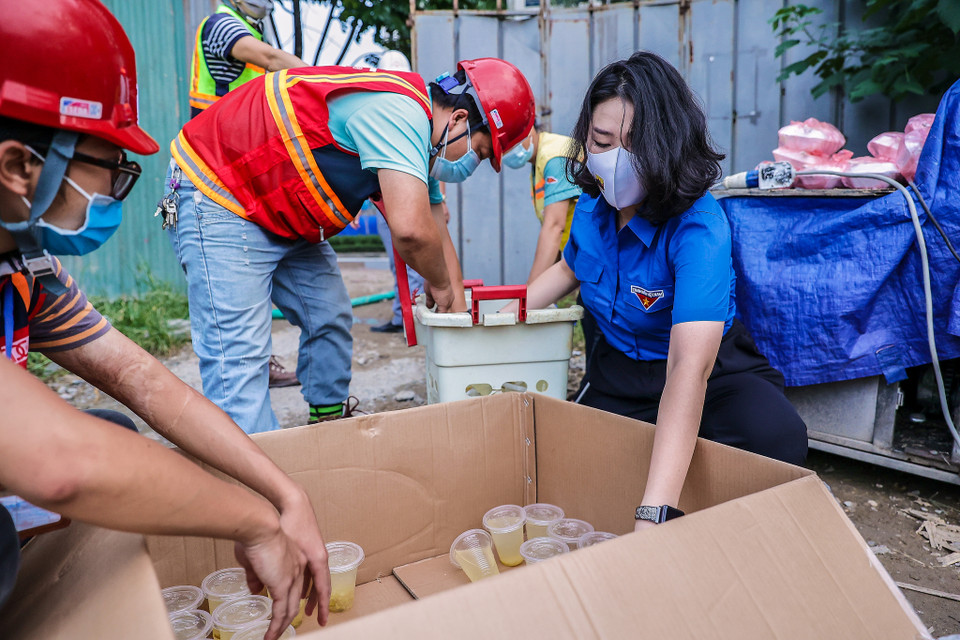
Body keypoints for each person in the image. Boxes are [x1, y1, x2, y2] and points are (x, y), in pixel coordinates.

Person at [0, 3, 330, 635]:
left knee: (112, 427)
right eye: (111, 169)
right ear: (21, 167)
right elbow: (60, 463)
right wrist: (253, 520)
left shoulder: (23, 268)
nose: (120, 189)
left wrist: (287, 495)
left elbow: (145, 381)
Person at [511, 52, 807, 532]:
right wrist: (504, 312)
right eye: (603, 142)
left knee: (776, 436)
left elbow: (689, 368)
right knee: (566, 465)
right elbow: (570, 266)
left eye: (636, 146)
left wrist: (655, 512)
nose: (615, 161)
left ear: (668, 146)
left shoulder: (699, 226)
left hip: (707, 374)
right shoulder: (591, 202)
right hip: (618, 372)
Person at [163, 58, 535, 431]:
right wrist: (438, 285)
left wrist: (456, 314)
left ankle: (328, 428)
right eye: (481, 152)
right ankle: (254, 479)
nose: (472, 165)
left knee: (328, 315)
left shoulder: (422, 146)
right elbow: (412, 232)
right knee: (239, 360)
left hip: (280, 210)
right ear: (457, 120)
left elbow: (436, 230)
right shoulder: (400, 113)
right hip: (221, 192)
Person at [189, 0, 309, 387]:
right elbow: (272, 58)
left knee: (253, 288)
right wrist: (330, 77)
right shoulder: (222, 25)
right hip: (214, 167)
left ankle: (267, 366)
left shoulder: (247, 27)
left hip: (238, 166)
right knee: (236, 303)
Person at [501, 123, 582, 284]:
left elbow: (554, 227)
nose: (506, 150)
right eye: (501, 146)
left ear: (528, 126)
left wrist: (529, 296)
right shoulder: (540, 160)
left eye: (509, 141)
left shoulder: (554, 157)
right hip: (578, 256)